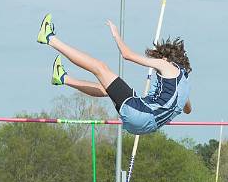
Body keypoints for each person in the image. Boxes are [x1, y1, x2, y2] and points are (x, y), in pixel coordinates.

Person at [37, 14, 192, 136]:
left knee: (100, 68)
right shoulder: (184, 84)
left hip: (140, 113)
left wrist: (116, 34)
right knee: (107, 89)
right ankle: (63, 78)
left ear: (167, 58)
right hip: (145, 125)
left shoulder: (166, 64)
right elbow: (187, 109)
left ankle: (49, 38)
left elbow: (127, 55)